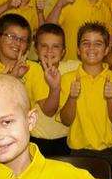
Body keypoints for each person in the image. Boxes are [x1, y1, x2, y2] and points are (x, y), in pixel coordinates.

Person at [59, 22, 112, 179]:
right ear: (78, 50)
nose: (91, 48)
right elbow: (66, 120)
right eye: (86, 43)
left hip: (111, 153)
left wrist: (111, 99)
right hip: (78, 153)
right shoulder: (68, 79)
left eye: (98, 44)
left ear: (106, 50)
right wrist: (72, 97)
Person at [30, 23, 80, 156]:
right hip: (36, 140)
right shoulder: (31, 70)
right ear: (36, 49)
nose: (49, 51)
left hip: (65, 140)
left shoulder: (73, 68)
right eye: (44, 46)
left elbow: (96, 65)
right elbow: (49, 111)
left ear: (63, 51)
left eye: (55, 47)